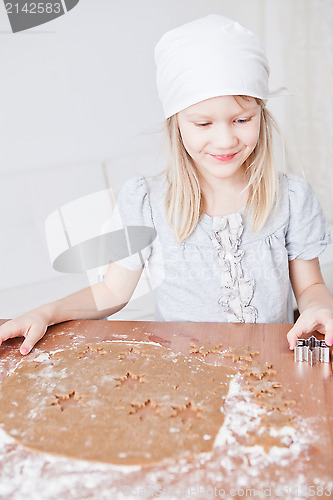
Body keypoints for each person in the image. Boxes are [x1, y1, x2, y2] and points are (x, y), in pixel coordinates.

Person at [0, 14, 332, 355]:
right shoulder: (147, 201)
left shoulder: (292, 198)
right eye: (203, 123)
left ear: (261, 114)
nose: (225, 139)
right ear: (177, 125)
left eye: (242, 120)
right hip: (182, 374)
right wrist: (45, 312)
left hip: (270, 367)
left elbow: (311, 286)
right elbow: (113, 292)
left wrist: (320, 307)